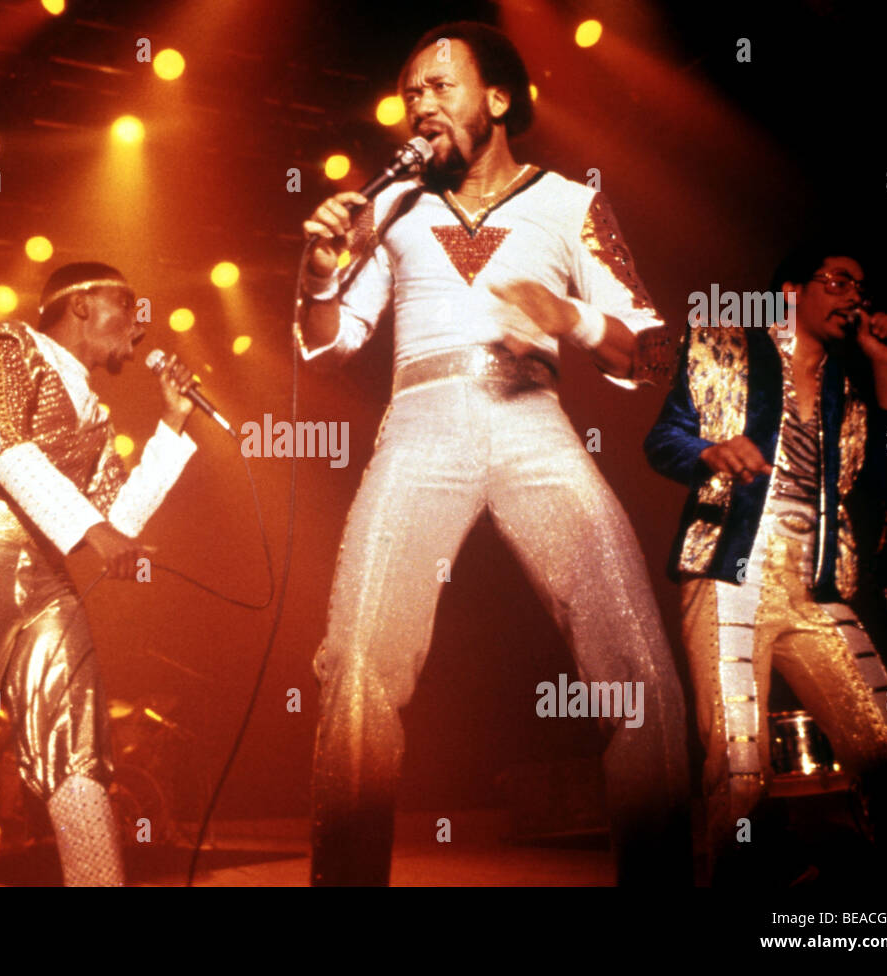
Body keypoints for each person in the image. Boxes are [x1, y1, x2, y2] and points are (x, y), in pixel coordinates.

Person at [298, 21, 689, 886]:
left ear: (499, 99)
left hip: (534, 424)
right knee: (357, 664)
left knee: (639, 670)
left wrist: (572, 318)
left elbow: (657, 357)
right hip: (419, 423)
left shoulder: (570, 203)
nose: (420, 105)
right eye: (410, 95)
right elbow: (329, 345)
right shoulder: (390, 207)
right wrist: (317, 273)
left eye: (440, 86)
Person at [0, 262, 198, 886]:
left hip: (49, 576)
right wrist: (97, 534)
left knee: (78, 746)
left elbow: (115, 519)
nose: (139, 322)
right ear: (79, 305)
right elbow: (3, 445)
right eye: (126, 304)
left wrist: (173, 423)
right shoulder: (7, 347)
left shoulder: (95, 415)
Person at [644, 245, 887, 880]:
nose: (856, 296)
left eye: (862, 286)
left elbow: (883, 485)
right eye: (840, 281)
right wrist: (710, 452)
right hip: (731, 570)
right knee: (739, 763)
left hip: (816, 580)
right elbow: (662, 442)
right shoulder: (724, 349)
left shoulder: (847, 387)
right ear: (792, 290)